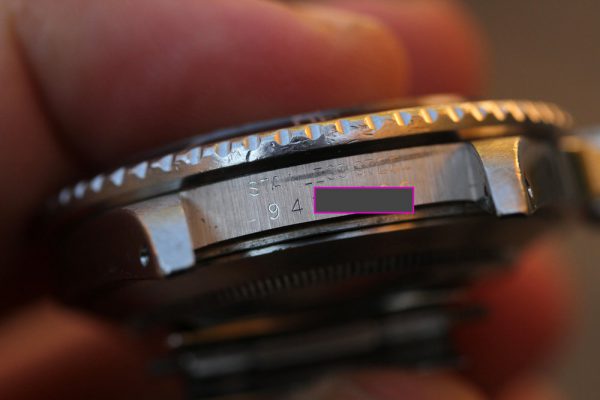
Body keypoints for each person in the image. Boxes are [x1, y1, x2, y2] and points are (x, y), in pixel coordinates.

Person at [0, 0, 573, 399]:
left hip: (358, 251)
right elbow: (359, 198)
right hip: (401, 243)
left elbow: (350, 198)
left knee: (364, 194)